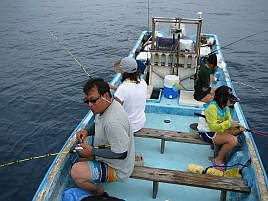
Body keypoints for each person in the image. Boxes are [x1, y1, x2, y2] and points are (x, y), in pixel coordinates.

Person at [71, 78, 135, 195]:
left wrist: (92, 152)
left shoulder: (112, 123)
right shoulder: (110, 104)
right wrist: (87, 132)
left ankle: (99, 192)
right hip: (109, 151)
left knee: (76, 172)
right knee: (82, 139)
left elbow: (121, 153)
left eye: (93, 100)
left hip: (118, 168)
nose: (90, 105)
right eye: (87, 101)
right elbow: (98, 122)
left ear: (106, 95)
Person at [197, 86, 246, 171]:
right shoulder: (212, 108)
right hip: (206, 132)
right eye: (230, 100)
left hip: (216, 129)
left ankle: (218, 143)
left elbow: (228, 121)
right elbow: (213, 127)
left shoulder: (225, 107)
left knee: (236, 132)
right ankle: (218, 159)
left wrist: (237, 127)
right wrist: (229, 123)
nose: (232, 102)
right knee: (233, 140)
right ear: (222, 99)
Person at [109, 57, 147, 132]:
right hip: (140, 123)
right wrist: (113, 87)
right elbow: (131, 91)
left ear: (123, 72)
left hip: (128, 127)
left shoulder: (123, 89)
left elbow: (115, 110)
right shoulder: (143, 82)